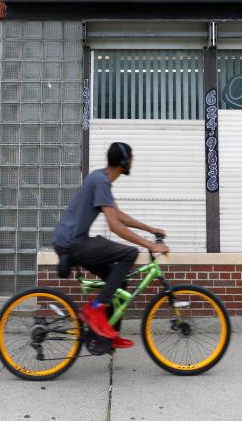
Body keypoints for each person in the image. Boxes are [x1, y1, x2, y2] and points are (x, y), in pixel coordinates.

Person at [52, 142, 168, 348]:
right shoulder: (101, 181)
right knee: (129, 253)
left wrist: (151, 229)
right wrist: (149, 245)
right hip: (73, 243)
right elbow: (115, 226)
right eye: (131, 157)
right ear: (124, 161)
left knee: (119, 282)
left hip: (72, 242)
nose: (133, 161)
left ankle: (107, 337)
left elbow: (119, 216)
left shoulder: (100, 178)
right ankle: (95, 308)